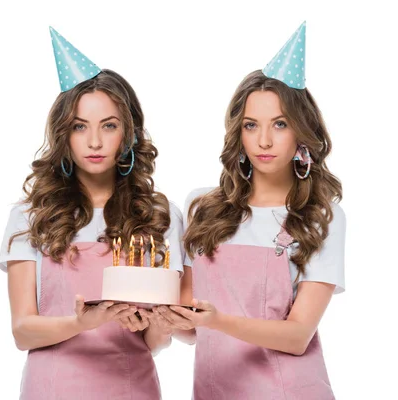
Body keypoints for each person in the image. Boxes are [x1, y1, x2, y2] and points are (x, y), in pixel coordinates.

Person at [153, 22, 345, 399]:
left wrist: (220, 321)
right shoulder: (202, 208)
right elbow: (191, 329)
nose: (264, 140)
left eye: (280, 124)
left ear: (301, 134)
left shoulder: (321, 217)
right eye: (251, 125)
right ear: (237, 134)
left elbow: (296, 336)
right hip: (214, 390)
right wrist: (162, 316)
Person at [0, 27, 183, 399]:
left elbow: (155, 342)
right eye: (80, 127)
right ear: (63, 134)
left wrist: (160, 325)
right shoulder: (31, 215)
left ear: (128, 133)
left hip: (132, 387)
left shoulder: (160, 216)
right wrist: (82, 322)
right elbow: (22, 332)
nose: (95, 142)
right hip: (51, 388)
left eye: (109, 126)